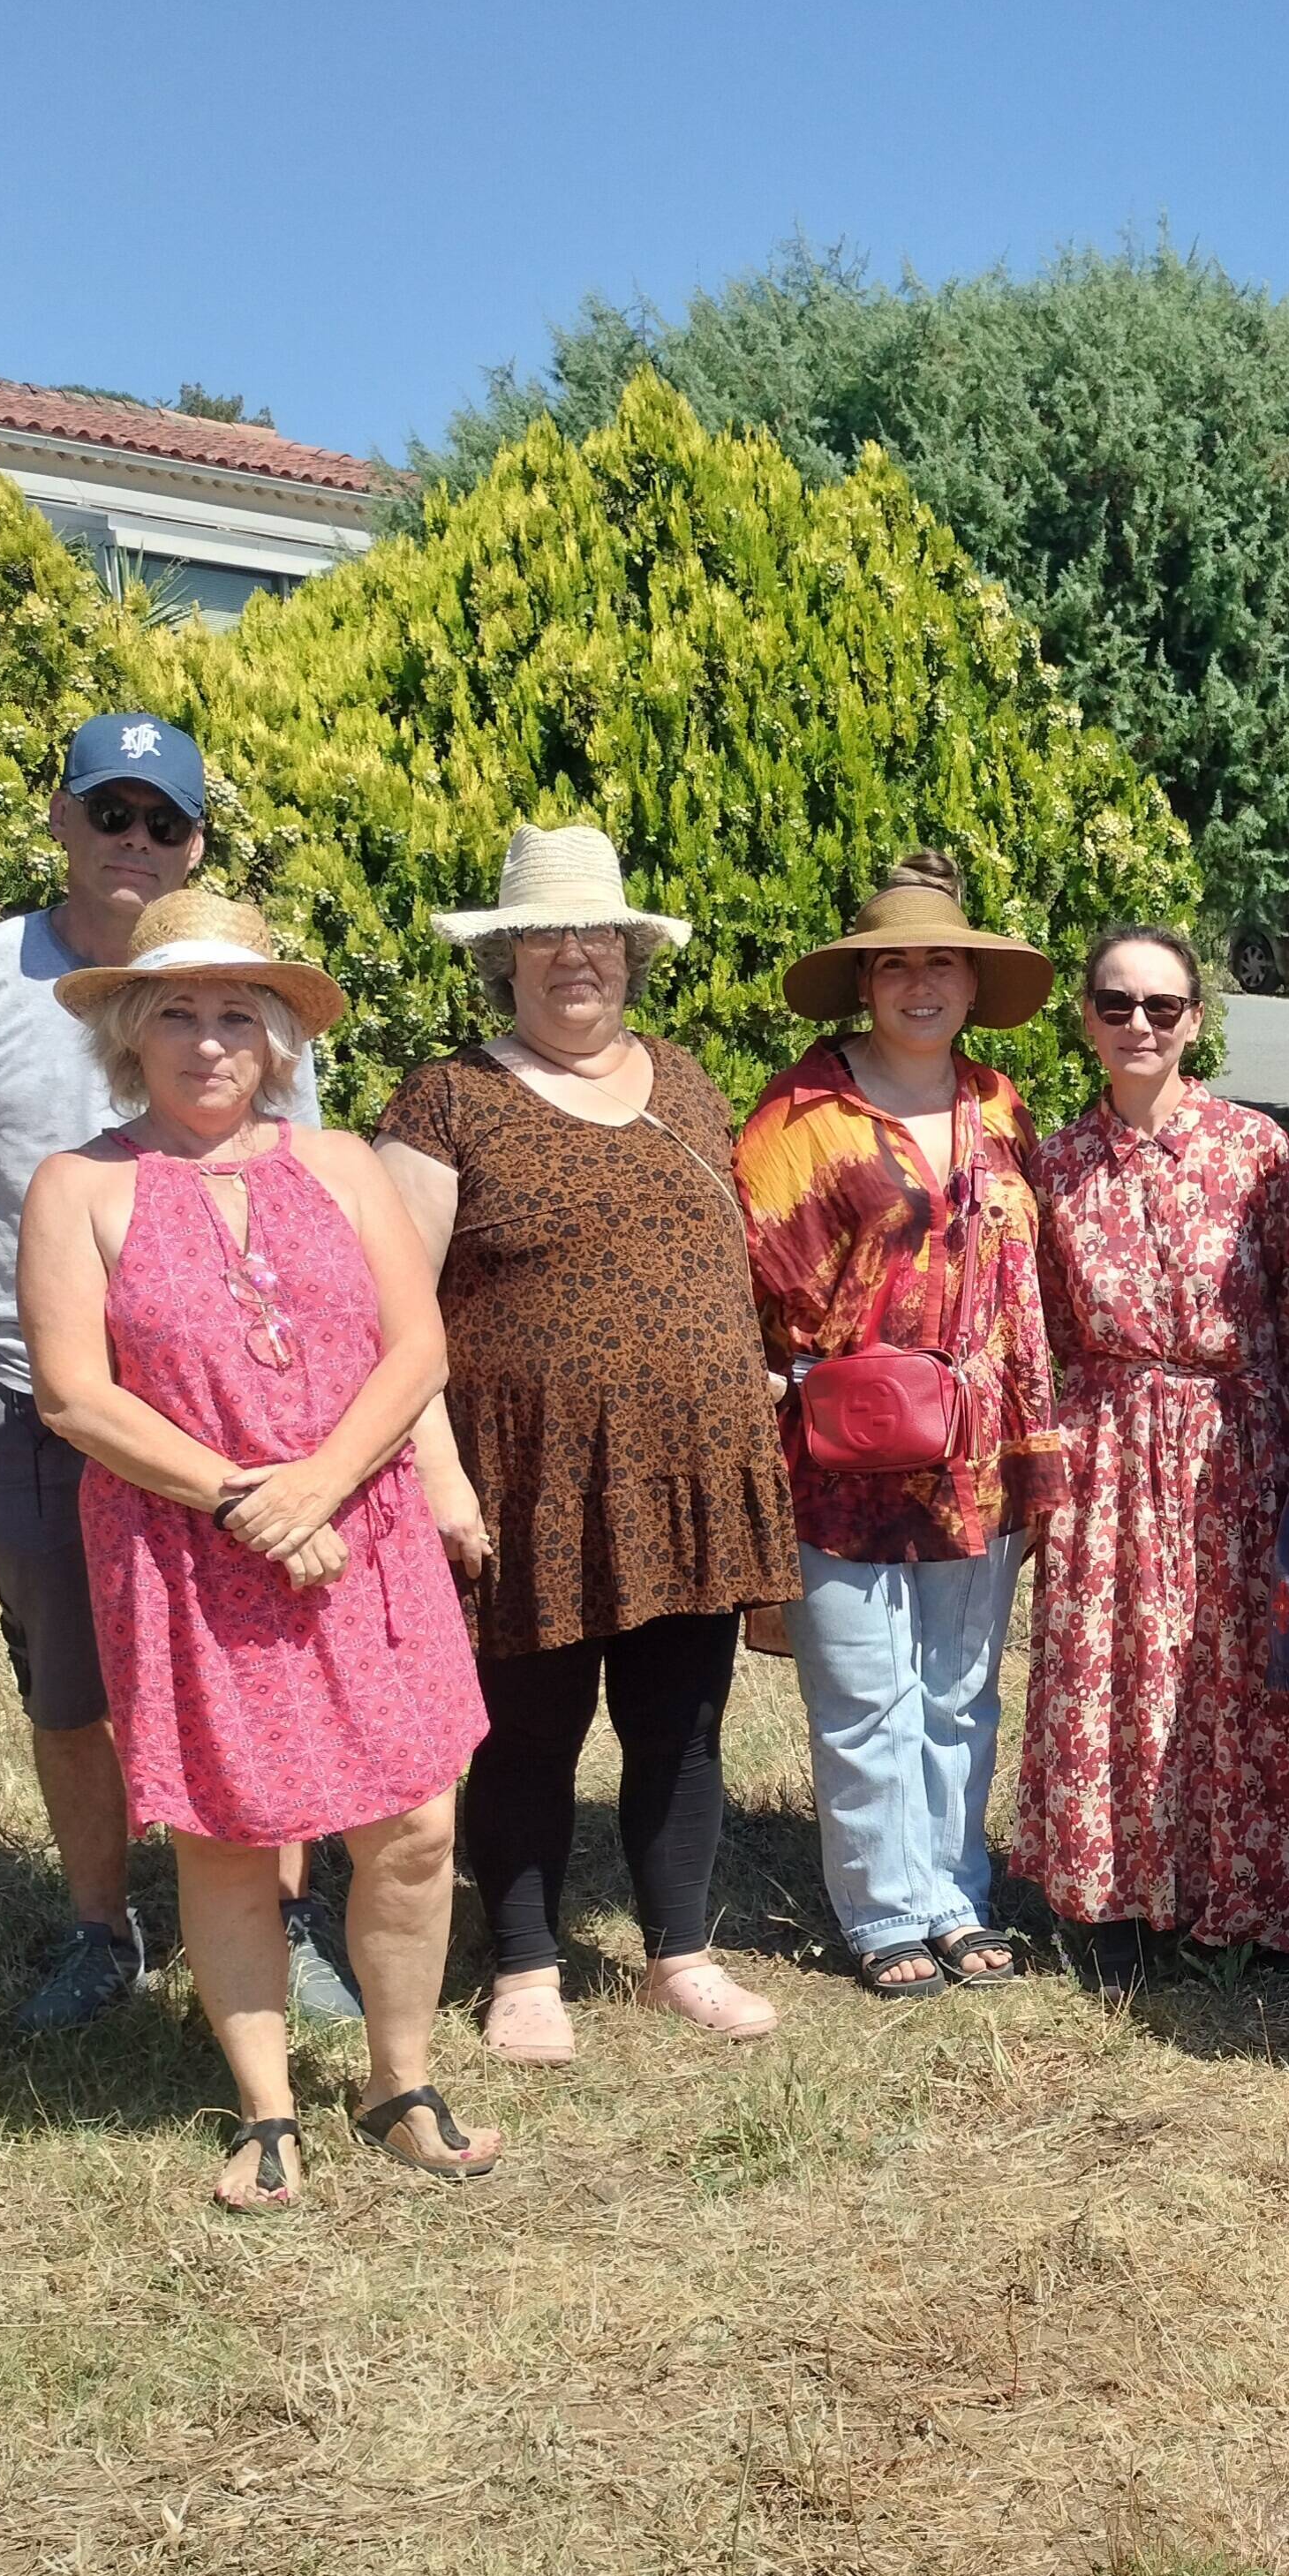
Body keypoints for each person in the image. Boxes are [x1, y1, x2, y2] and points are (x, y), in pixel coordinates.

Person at [0, 712, 361, 2037]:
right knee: (70, 1680)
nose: (134, 841)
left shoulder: (236, 989)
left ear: (194, 838)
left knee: (264, 1658)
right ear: (61, 820)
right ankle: (101, 1929)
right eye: (111, 813)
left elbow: (290, 1195)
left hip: (227, 1407)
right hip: (39, 1396)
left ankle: (289, 1919)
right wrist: (3, 1320)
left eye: (164, 821)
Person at [15, 893, 499, 2209]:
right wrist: (243, 1500)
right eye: (178, 1011)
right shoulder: (79, 1186)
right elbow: (73, 1393)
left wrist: (322, 1487)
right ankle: (267, 2110)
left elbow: (419, 1349)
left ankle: (399, 2079)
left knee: (411, 1822)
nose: (210, 1040)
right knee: (228, 1837)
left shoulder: (341, 1164)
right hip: (187, 1556)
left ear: (279, 1038)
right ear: (130, 1030)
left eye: (240, 1013)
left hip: (368, 1537)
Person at [374, 827, 795, 2065]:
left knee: (682, 1722)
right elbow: (393, 1310)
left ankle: (680, 1952)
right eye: (547, 937)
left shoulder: (687, 1079)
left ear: (630, 954)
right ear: (505, 958)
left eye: (598, 935)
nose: (576, 957)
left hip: (689, 1469)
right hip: (528, 1479)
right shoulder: (447, 1099)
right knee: (529, 1729)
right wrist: (438, 1477)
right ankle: (524, 1968)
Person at [738, 854, 1065, 1999]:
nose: (921, 981)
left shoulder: (1000, 1104)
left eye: (942, 961)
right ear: (864, 983)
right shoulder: (800, 1116)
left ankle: (954, 1893)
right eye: (896, 964)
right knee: (865, 1689)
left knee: (961, 1686)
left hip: (979, 1448)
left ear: (972, 983)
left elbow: (1034, 1276)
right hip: (850, 1445)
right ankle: (884, 1909)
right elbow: (758, 1278)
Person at [1021, 926, 1289, 1989]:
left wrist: (1224, 1393)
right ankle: (1115, 1900)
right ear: (1086, 1018)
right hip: (1106, 1441)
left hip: (1233, 1443)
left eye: (1162, 1006)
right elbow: (1053, 1328)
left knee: (1240, 1669)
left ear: (1196, 1019)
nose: (1139, 1024)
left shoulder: (1257, 1150)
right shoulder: (1054, 1164)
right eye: (1117, 1004)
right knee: (1110, 1666)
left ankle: (1248, 1900)